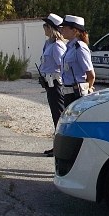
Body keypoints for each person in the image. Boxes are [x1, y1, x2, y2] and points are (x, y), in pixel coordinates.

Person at [38, 13, 67, 157]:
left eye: (45, 26)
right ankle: (56, 146)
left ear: (51, 28)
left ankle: (60, 148)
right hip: (49, 83)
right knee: (55, 116)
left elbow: (62, 67)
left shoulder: (57, 46)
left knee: (59, 116)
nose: (43, 28)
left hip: (56, 84)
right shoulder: (49, 44)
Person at [60, 14, 95, 107]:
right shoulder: (70, 47)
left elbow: (91, 75)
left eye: (65, 27)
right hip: (68, 93)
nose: (62, 29)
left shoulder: (80, 48)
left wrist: (88, 89)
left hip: (77, 94)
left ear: (74, 30)